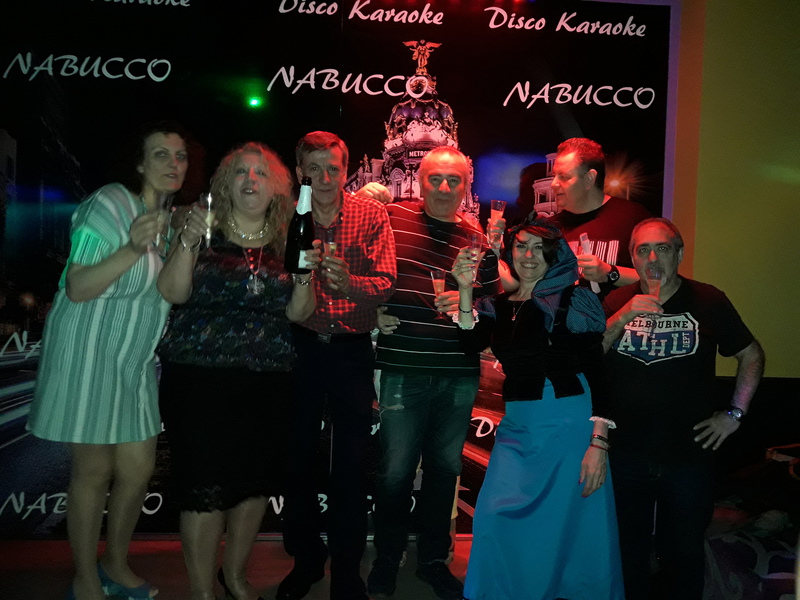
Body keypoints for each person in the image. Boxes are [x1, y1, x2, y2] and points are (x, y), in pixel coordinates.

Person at [26, 122, 191, 600]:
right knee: (94, 470)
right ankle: (84, 577)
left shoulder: (166, 222)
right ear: (139, 163)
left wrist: (185, 243)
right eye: (160, 154)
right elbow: (78, 285)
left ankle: (115, 564)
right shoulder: (110, 203)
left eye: (180, 155)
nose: (173, 163)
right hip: (88, 352)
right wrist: (133, 248)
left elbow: (172, 292)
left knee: (138, 469)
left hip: (132, 360)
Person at [156, 142, 317, 600]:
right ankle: (202, 591)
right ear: (227, 184)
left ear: (277, 188)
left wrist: (306, 274)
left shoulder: (289, 238)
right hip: (199, 381)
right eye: (241, 172)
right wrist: (187, 241)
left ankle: (237, 577)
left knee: (253, 487)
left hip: (268, 381)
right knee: (204, 489)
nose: (251, 179)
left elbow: (300, 312)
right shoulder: (200, 226)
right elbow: (173, 292)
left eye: (261, 173)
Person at [602, 217, 765, 600]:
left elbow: (751, 354)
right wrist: (622, 317)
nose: (652, 258)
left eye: (662, 248)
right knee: (626, 554)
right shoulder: (616, 302)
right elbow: (588, 360)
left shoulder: (708, 300)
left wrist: (734, 414)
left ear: (679, 253)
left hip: (689, 456)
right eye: (643, 250)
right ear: (632, 258)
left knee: (684, 555)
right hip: (626, 454)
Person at [365, 146, 499, 600]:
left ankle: (433, 561)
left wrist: (468, 299)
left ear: (467, 185)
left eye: (454, 180)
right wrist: (370, 312)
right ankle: (387, 559)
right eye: (435, 178)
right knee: (396, 472)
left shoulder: (476, 237)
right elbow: (356, 268)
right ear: (419, 180)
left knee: (444, 470)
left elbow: (492, 300)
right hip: (402, 366)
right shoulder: (390, 217)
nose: (443, 187)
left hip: (458, 371)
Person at [278, 131, 396, 600]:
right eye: (315, 168)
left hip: (350, 350)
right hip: (301, 347)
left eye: (334, 168)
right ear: (300, 170)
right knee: (297, 460)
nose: (325, 178)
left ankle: (347, 570)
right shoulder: (288, 214)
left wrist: (349, 285)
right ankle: (306, 561)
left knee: (351, 464)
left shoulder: (370, 213)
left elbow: (385, 282)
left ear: (346, 170)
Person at [548, 137, 651, 295]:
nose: (554, 184)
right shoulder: (549, 228)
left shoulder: (633, 218)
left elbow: (659, 278)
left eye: (564, 177)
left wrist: (610, 273)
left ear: (589, 179)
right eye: (555, 176)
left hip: (619, 311)